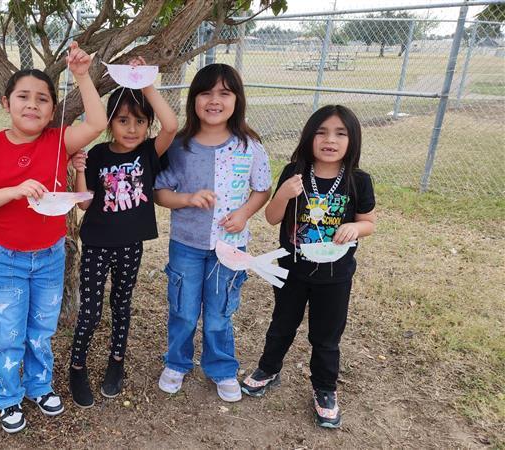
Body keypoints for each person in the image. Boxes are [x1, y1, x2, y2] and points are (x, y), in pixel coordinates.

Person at [0, 41, 107, 433]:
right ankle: (8, 396)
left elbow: (96, 123)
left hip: (50, 255)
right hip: (8, 257)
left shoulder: (57, 140)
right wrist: (15, 190)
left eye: (42, 99)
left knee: (41, 330)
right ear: (7, 102)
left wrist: (80, 74)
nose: (32, 104)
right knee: (8, 333)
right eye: (23, 96)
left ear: (53, 110)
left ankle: (39, 386)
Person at [240, 105, 377, 429]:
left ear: (352, 140)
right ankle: (268, 369)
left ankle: (325, 389)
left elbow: (369, 222)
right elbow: (272, 217)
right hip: (293, 269)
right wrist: (285, 194)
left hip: (335, 275)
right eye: (322, 132)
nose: (330, 140)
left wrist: (355, 229)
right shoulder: (294, 172)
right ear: (309, 137)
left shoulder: (358, 180)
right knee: (282, 324)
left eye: (340, 133)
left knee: (326, 335)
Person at [154, 63, 272, 402]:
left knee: (220, 313)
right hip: (186, 246)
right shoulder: (180, 146)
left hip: (231, 248)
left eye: (224, 93)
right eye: (206, 93)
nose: (214, 100)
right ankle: (177, 362)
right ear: (194, 100)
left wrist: (244, 213)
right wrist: (187, 198)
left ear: (237, 100)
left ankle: (221, 368)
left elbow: (261, 189)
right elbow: (160, 192)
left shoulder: (250, 146)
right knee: (183, 309)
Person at [67, 57, 178, 408]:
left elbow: (172, 126)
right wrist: (80, 170)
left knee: (122, 303)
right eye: (123, 120)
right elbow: (84, 205)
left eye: (140, 121)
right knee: (91, 309)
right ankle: (77, 365)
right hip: (98, 243)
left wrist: (145, 82)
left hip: (131, 245)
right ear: (110, 123)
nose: (132, 129)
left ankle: (117, 362)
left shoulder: (148, 152)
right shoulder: (99, 153)